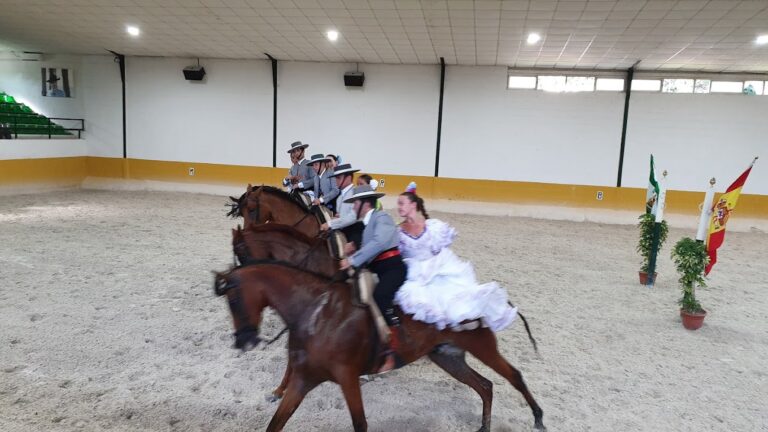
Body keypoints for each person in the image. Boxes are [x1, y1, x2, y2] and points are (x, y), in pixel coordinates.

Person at [394, 183, 517, 333]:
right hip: (414, 271)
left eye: (401, 203)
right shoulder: (398, 231)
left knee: (452, 295)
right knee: (417, 299)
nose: (398, 207)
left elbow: (437, 249)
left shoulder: (433, 227)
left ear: (413, 205)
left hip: (436, 267)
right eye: (398, 204)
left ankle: (461, 322)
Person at [339, 184, 406, 373]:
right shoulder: (368, 223)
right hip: (379, 268)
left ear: (364, 204)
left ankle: (392, 353)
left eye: (355, 203)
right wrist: (355, 250)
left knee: (380, 298)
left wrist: (353, 260)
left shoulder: (381, 217)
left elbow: (380, 242)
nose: (352, 207)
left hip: (392, 268)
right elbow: (371, 246)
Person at [320, 163, 363, 248]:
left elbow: (353, 217)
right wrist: (336, 218)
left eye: (338, 178)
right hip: (344, 230)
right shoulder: (340, 198)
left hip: (356, 234)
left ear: (349, 178)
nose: (336, 181)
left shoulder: (355, 194)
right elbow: (342, 216)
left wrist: (330, 223)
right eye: (336, 178)